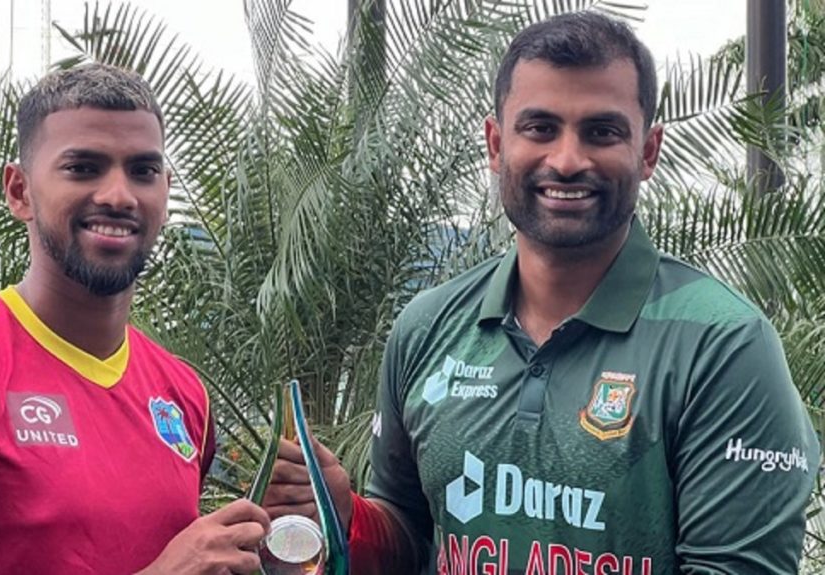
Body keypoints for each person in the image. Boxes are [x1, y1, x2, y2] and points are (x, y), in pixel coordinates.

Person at [264, 11, 821, 574]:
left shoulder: (722, 346)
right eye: (540, 128)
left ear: (648, 151)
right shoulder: (427, 328)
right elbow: (407, 535)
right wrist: (345, 518)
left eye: (602, 132)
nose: (567, 160)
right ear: (495, 144)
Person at [0, 63, 270, 574]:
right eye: (83, 168)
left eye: (143, 171)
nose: (119, 195)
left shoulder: (183, 395)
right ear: (19, 191)